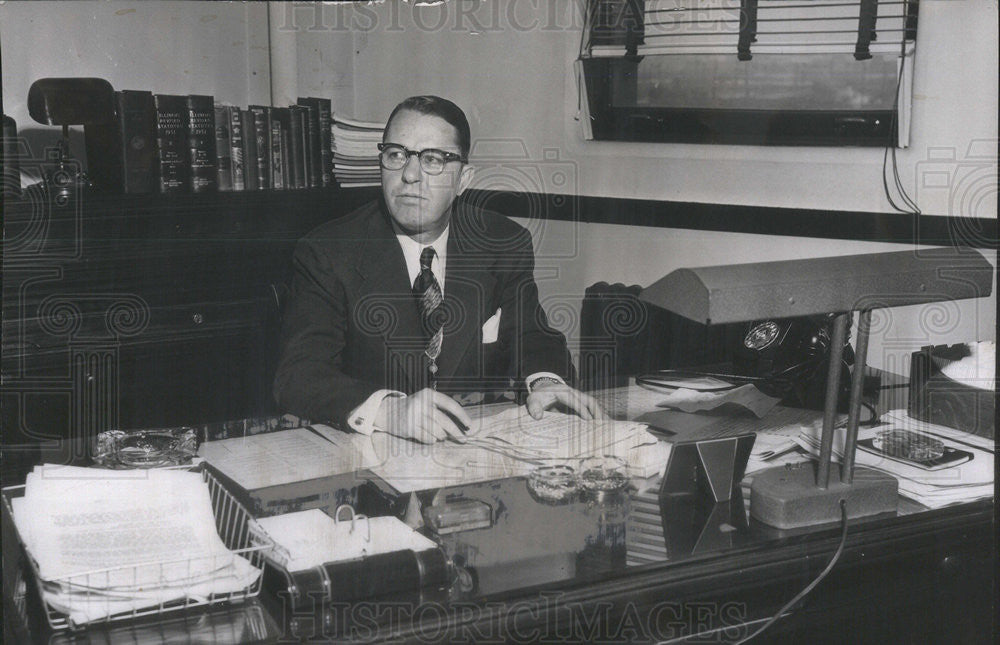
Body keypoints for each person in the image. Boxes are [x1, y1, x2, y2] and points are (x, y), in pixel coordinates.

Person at [273, 95, 604, 443]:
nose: (410, 175)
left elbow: (531, 334)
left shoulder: (502, 242)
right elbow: (298, 375)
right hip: (370, 457)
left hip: (473, 458)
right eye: (396, 155)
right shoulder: (328, 251)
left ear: (463, 179)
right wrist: (389, 411)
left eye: (433, 159)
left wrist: (547, 382)